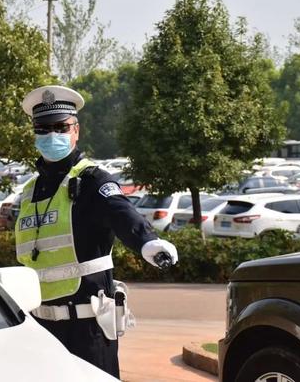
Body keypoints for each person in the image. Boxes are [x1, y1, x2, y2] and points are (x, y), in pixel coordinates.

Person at [15, 85, 179, 378]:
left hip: (86, 330)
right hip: (39, 329)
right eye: (43, 129)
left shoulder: (91, 181)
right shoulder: (29, 192)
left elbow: (120, 211)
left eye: (60, 127)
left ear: (76, 131)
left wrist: (148, 242)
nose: (52, 135)